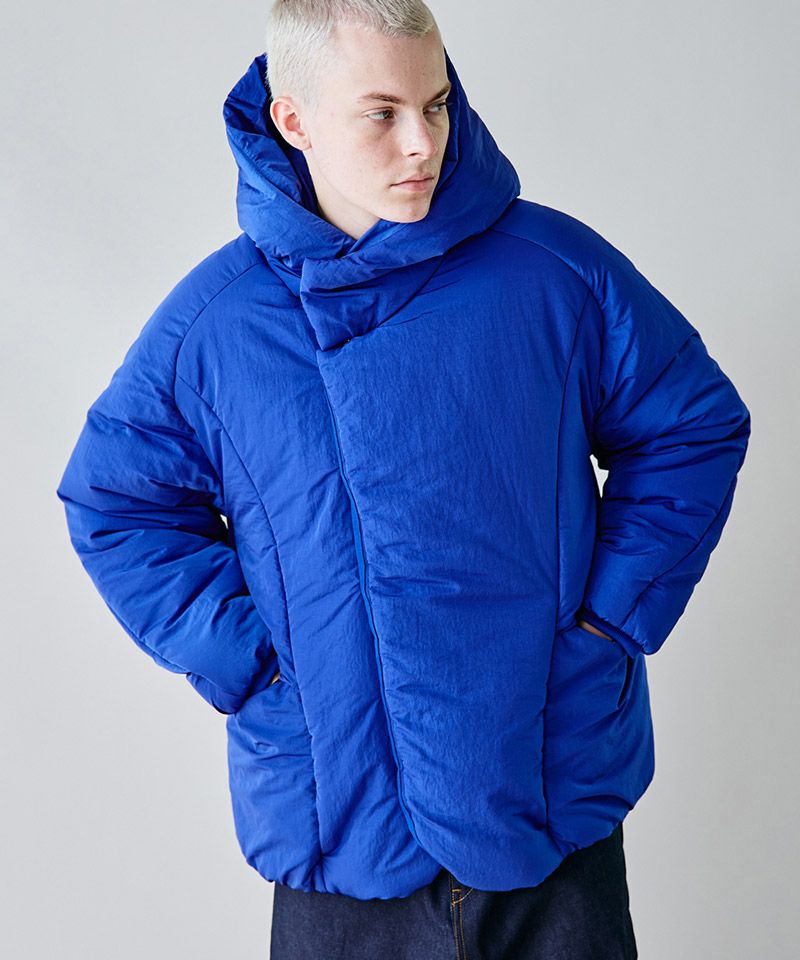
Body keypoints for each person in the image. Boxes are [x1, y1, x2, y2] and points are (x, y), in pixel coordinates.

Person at [55, 1, 751, 957]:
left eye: (437, 104)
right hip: (338, 821)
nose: (422, 142)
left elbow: (690, 425)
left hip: (546, 797)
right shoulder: (216, 324)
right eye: (381, 112)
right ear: (294, 120)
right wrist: (262, 667)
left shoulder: (555, 273)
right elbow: (117, 503)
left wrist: (607, 624)